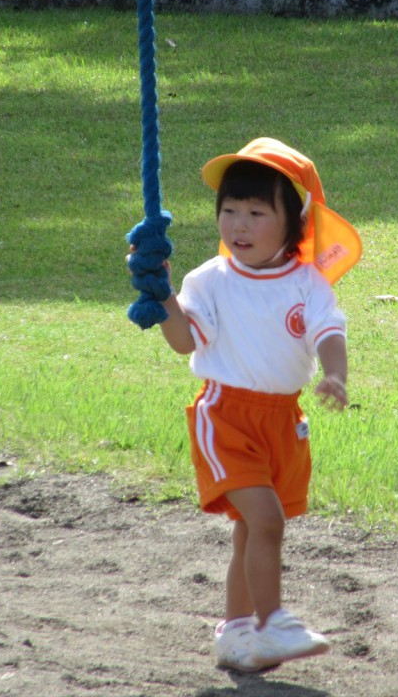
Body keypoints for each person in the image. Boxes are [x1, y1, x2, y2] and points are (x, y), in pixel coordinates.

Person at [130, 137, 362, 672]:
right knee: (267, 519)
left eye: (257, 212)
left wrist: (336, 374)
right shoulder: (209, 280)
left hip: (282, 421)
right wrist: (163, 296)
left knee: (249, 531)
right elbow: (185, 341)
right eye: (230, 209)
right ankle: (272, 621)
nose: (239, 224)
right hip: (225, 417)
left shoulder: (307, 283)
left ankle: (236, 634)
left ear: (296, 222)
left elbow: (329, 332)